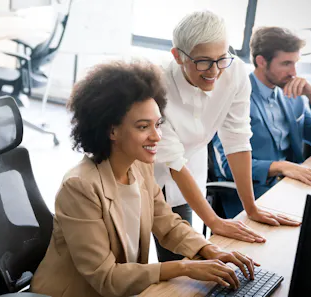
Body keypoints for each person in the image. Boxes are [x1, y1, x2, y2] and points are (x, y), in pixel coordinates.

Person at [31, 60, 258, 297]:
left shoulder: (140, 167)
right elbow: (106, 277)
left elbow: (167, 223)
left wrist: (209, 249)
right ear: (112, 131)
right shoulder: (79, 187)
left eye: (158, 124)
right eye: (143, 127)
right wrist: (182, 267)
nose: (157, 136)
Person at [153, 11, 300, 262]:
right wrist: (213, 221)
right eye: (203, 61)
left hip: (186, 176)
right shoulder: (156, 84)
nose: (214, 71)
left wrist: (251, 208)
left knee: (179, 261)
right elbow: (171, 159)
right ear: (177, 56)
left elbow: (238, 138)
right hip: (143, 173)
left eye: (221, 58)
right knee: (127, 261)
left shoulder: (234, 72)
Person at [211, 27, 311, 218]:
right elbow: (226, 166)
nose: (293, 72)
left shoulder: (293, 94)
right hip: (255, 195)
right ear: (261, 61)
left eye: (295, 63)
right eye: (286, 63)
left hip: (291, 187)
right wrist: (280, 166)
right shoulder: (236, 97)